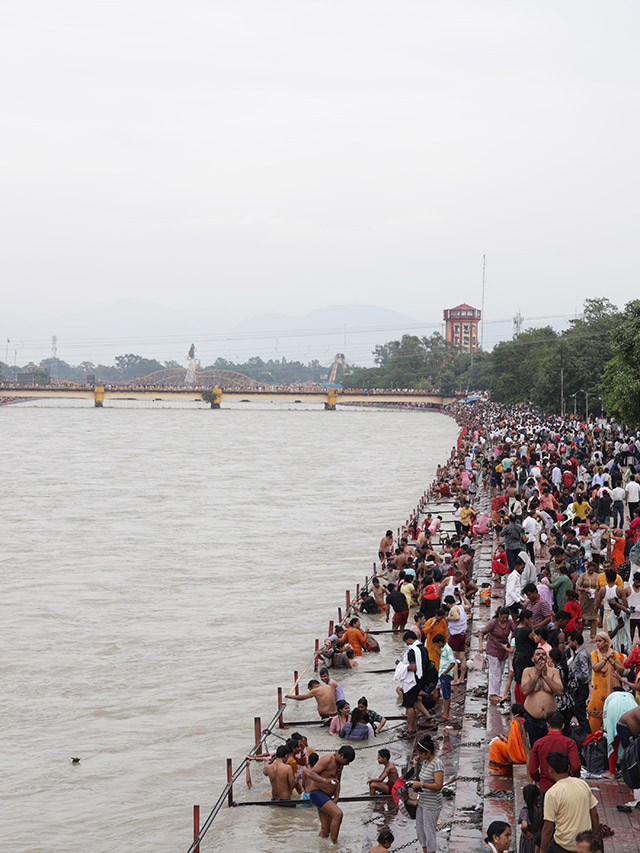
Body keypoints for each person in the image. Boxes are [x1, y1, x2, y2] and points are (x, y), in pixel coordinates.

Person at [540, 751, 600, 853]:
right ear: (568, 768)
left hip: (564, 845)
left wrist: (542, 850)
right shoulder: (582, 784)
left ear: (551, 770)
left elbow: (548, 828)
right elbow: (594, 814)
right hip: (585, 844)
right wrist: (595, 838)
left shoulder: (552, 793)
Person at [305, 745, 355, 843]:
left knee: (325, 830)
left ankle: (322, 848)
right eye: (347, 761)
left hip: (327, 796)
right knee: (338, 814)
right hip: (317, 793)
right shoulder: (328, 759)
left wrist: (337, 796)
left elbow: (338, 781)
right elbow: (311, 774)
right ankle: (334, 845)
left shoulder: (341, 764)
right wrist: (325, 781)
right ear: (341, 755)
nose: (348, 764)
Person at [528, 711, 581, 792]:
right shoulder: (569, 743)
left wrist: (540, 779)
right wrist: (573, 778)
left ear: (548, 725)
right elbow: (576, 766)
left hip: (546, 786)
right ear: (563, 726)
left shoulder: (539, 744)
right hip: (566, 787)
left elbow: (532, 770)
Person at [410, 735, 444, 853]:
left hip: (432, 803)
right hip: (422, 801)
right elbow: (420, 778)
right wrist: (415, 767)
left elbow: (438, 785)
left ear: (428, 752)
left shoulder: (437, 764)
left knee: (429, 831)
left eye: (421, 753)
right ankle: (425, 850)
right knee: (420, 830)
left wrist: (421, 785)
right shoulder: (425, 762)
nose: (419, 756)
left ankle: (431, 851)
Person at [522, 648, 563, 745]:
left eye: (543, 654)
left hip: (550, 720)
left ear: (547, 658)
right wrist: (537, 675)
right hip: (532, 718)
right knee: (532, 749)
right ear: (533, 659)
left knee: (551, 748)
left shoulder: (553, 672)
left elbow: (560, 691)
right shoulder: (527, 671)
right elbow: (525, 691)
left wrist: (545, 676)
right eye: (538, 654)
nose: (541, 656)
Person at [587, 631, 625, 733]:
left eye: (600, 641)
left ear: (606, 642)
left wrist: (612, 661)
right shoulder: (594, 654)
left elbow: (621, 670)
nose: (597, 643)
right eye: (596, 641)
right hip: (598, 690)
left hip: (612, 689)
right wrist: (605, 658)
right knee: (594, 716)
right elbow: (595, 667)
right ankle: (593, 739)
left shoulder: (614, 654)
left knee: (612, 715)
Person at [479, 606, 515, 704]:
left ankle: (497, 692)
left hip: (504, 650)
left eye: (506, 618)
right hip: (493, 649)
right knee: (495, 673)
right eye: (503, 617)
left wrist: (512, 642)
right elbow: (482, 633)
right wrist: (481, 646)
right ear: (499, 615)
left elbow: (515, 631)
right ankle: (492, 694)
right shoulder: (493, 623)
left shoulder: (509, 623)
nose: (504, 619)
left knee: (501, 671)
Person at [489, 702, 528, 775]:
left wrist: (504, 739)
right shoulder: (528, 722)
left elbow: (512, 746)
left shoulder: (515, 724)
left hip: (519, 755)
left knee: (496, 744)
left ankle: (502, 771)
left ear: (513, 714)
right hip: (527, 754)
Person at [567, 631, 592, 736]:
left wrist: (575, 679)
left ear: (575, 642)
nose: (568, 644)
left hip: (581, 688)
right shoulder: (580, 653)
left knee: (580, 714)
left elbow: (585, 674)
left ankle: (588, 736)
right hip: (579, 688)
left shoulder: (581, 655)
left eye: (570, 642)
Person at [444, 593, 468, 682]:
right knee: (462, 657)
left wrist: (447, 618)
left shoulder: (453, 609)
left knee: (453, 657)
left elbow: (456, 617)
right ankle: (462, 678)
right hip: (463, 635)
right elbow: (468, 606)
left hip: (456, 636)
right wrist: (463, 596)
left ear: (448, 604)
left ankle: (455, 679)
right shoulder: (461, 607)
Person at [434, 633, 455, 719]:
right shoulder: (444, 649)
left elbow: (452, 662)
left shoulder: (447, 649)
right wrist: (438, 653)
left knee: (446, 694)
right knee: (444, 693)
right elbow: (444, 659)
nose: (436, 645)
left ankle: (446, 714)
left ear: (440, 642)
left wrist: (445, 672)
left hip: (445, 675)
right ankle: (444, 712)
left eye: (436, 644)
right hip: (443, 674)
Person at [576, 562, 599, 639]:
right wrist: (584, 589)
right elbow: (577, 587)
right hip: (584, 598)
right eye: (589, 570)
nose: (591, 572)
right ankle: (580, 633)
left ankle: (593, 635)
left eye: (592, 570)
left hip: (593, 598)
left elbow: (600, 587)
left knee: (593, 617)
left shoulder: (597, 576)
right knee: (582, 616)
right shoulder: (583, 576)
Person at [519, 783, 543, 853]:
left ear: (524, 798)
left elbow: (524, 825)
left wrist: (525, 832)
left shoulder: (525, 811)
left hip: (528, 840)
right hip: (537, 838)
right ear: (538, 797)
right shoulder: (540, 810)